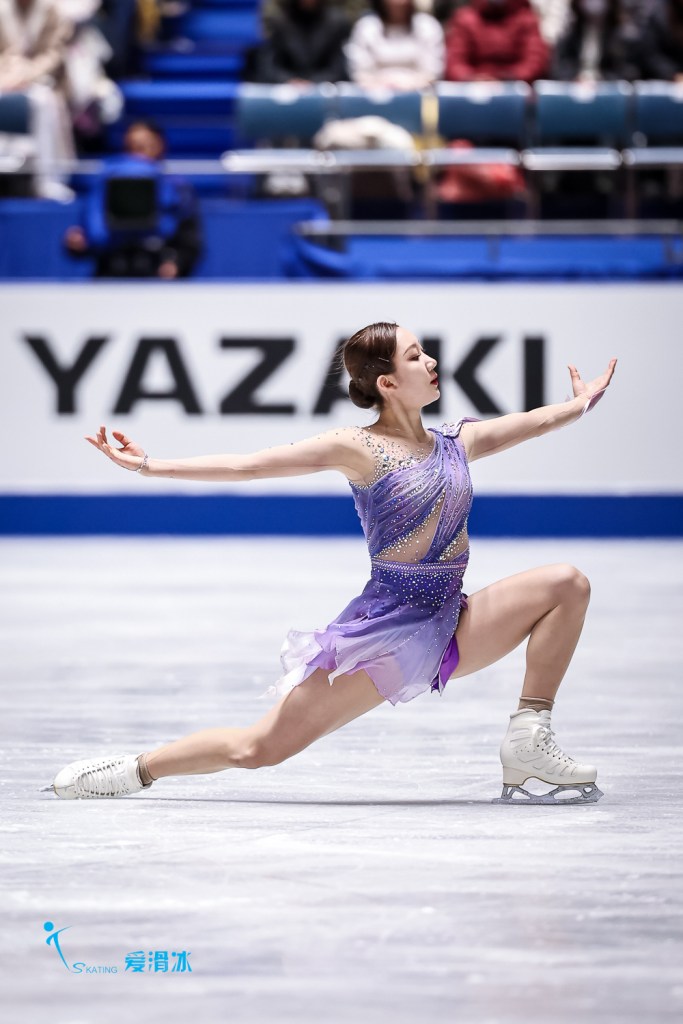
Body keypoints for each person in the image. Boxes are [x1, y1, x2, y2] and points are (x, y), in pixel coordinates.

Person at [50, 323, 617, 806]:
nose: (431, 362)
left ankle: (528, 736)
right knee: (259, 748)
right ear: (387, 382)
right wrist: (148, 465)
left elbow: (536, 421)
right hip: (385, 632)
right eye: (415, 356)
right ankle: (136, 769)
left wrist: (580, 404)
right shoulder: (357, 446)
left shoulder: (456, 441)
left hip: (453, 617)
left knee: (566, 584)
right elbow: (249, 466)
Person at [63, 119, 202, 279]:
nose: (137, 154)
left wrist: (176, 264)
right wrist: (77, 243)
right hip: (110, 273)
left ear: (160, 145)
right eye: (131, 147)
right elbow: (89, 234)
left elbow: (190, 241)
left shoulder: (177, 188)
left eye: (143, 146)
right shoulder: (104, 182)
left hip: (155, 275)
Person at [0, 0, 76, 201]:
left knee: (44, 102)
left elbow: (55, 53)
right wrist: (7, 74)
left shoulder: (52, 10)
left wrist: (28, 74)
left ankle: (48, 179)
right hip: (4, 77)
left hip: (43, 80)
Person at [344, 0, 445, 90]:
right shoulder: (366, 27)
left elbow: (432, 72)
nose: (399, 2)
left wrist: (406, 86)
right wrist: (383, 86)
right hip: (373, 96)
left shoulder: (428, 26)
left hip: (419, 96)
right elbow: (359, 71)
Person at [444, 0, 550, 84]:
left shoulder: (527, 19)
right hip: (470, 91)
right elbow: (454, 62)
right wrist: (472, 79)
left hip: (516, 90)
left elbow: (535, 61)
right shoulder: (464, 19)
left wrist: (507, 78)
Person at [252, 0, 352, 85]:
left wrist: (313, 82)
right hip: (286, 90)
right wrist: (289, 80)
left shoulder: (337, 23)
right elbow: (270, 66)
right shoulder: (279, 21)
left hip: (325, 89)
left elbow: (339, 68)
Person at [551, 0, 644, 82]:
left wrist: (600, 79)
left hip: (609, 91)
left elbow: (628, 72)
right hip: (573, 91)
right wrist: (575, 78)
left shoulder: (623, 36)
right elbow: (558, 69)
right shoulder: (570, 34)